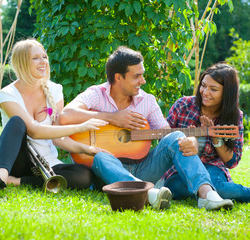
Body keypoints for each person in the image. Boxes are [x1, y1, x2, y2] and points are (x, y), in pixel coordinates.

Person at [59, 46, 234, 210]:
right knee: (100, 157)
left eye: (142, 75)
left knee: (176, 136)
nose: (142, 80)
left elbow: (167, 135)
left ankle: (206, 194)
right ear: (118, 77)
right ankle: (145, 192)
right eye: (137, 76)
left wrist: (192, 140)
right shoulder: (96, 94)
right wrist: (112, 117)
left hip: (143, 168)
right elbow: (65, 115)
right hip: (105, 171)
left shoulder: (147, 101)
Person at [0, 39, 110, 190]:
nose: (43, 62)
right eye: (35, 58)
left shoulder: (55, 90)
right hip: (19, 160)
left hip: (47, 162)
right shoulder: (7, 94)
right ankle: (1, 175)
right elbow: (34, 131)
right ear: (21, 64)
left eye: (44, 57)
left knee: (84, 176)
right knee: (17, 122)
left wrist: (86, 149)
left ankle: (15, 181)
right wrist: (80, 127)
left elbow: (57, 137)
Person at [161, 62, 250, 207]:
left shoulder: (234, 116)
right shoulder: (183, 105)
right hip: (182, 168)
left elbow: (232, 161)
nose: (205, 92)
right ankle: (212, 193)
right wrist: (186, 138)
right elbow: (164, 141)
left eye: (213, 89)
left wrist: (215, 138)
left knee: (217, 187)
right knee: (174, 188)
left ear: (227, 93)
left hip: (212, 167)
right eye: (203, 85)